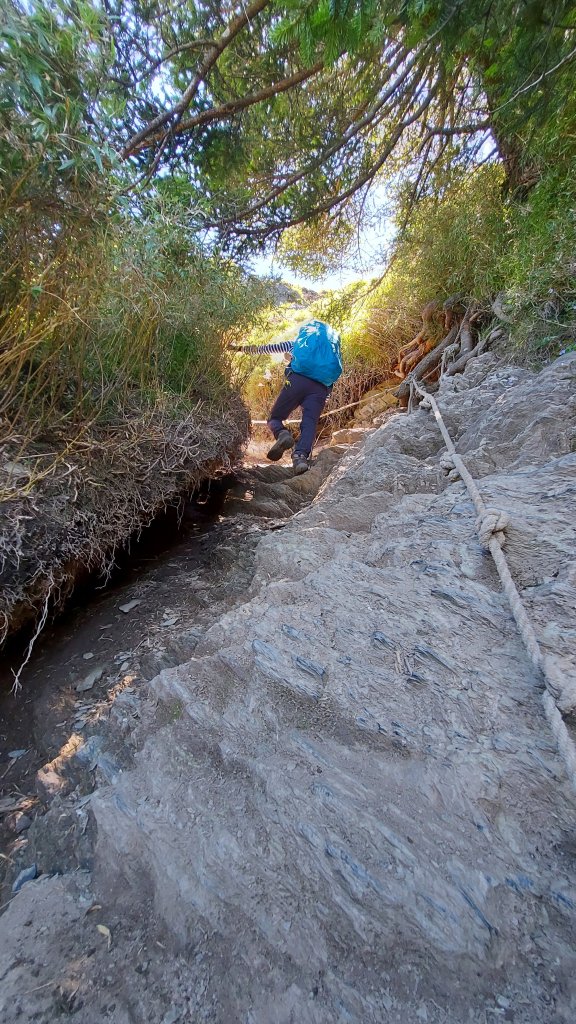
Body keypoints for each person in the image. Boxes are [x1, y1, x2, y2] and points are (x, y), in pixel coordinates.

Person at [231, 320, 343, 474]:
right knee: (309, 423)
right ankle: (300, 458)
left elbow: (266, 348)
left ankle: (283, 434)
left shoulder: (296, 345)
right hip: (320, 389)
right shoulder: (330, 353)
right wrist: (324, 397)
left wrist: (240, 348)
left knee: (274, 418)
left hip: (297, 381)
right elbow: (331, 378)